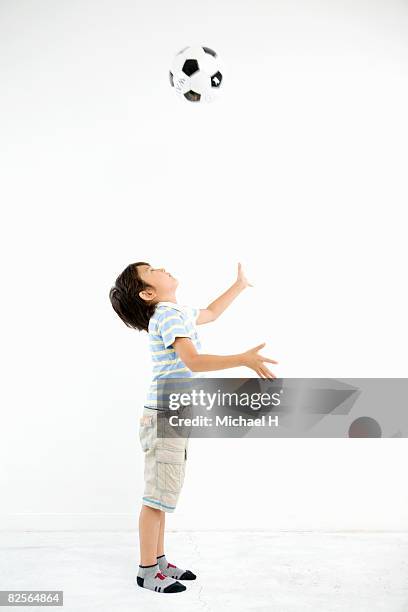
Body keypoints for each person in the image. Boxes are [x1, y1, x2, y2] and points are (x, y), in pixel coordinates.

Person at [109, 261, 278, 594]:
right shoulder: (168, 316)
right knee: (156, 497)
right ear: (147, 292)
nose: (163, 268)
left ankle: (158, 561)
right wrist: (242, 359)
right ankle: (147, 571)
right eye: (152, 270)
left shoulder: (176, 311)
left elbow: (213, 313)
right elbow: (194, 361)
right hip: (165, 414)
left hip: (173, 412)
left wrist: (239, 285)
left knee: (164, 492)